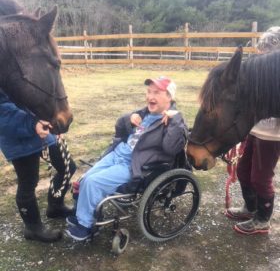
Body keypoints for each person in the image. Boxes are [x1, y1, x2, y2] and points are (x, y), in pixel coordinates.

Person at [65, 76, 188, 241]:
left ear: (169, 97)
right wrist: (129, 118)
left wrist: (176, 119)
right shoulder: (145, 112)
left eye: (156, 93)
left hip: (135, 165)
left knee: (93, 183)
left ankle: (86, 226)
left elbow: (170, 148)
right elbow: (119, 128)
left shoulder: (175, 122)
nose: (150, 96)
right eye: (149, 91)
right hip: (117, 154)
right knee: (85, 179)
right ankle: (83, 213)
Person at [0, 88, 76, 242]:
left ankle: (55, 206)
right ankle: (33, 228)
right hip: (17, 136)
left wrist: (54, 120)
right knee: (28, 183)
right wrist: (32, 123)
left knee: (68, 167)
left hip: (43, 128)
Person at [226, 27, 280, 235]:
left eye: (267, 53)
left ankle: (262, 220)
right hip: (255, 130)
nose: (262, 57)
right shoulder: (259, 73)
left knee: (261, 177)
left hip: (272, 136)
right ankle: (250, 207)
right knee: (242, 170)